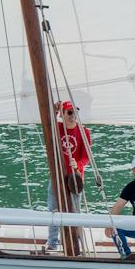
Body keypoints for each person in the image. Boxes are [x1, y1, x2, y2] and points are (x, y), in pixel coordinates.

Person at [49, 100, 93, 251]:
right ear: (62, 114)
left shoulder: (84, 131)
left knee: (75, 210)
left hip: (75, 178)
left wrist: (78, 164)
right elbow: (48, 124)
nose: (72, 115)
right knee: (54, 209)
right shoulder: (58, 128)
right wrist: (54, 112)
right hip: (58, 175)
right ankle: (53, 243)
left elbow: (87, 157)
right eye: (69, 112)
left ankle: (78, 242)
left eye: (75, 112)